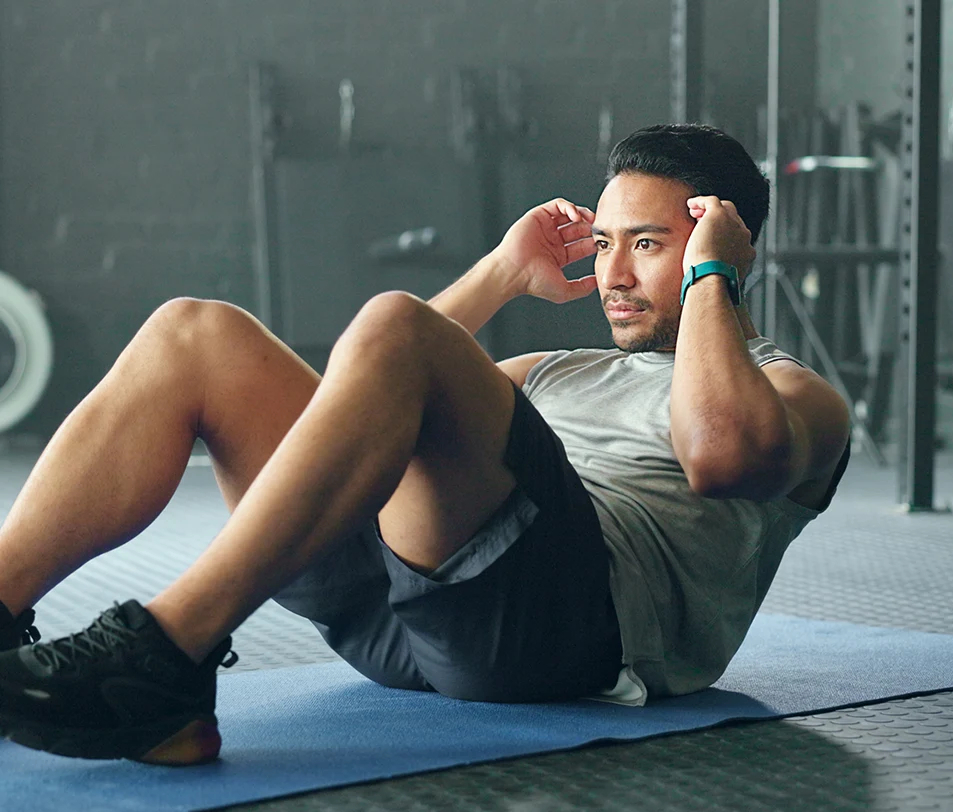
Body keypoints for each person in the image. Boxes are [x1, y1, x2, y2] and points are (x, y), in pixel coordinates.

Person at [0, 124, 850, 766]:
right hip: (404, 616)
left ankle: (162, 659)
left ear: (722, 247)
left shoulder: (791, 395)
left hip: (552, 636)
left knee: (399, 325)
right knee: (195, 333)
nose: (614, 275)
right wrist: (502, 274)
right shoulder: (559, 370)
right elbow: (362, 392)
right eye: (604, 245)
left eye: (650, 245)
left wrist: (711, 276)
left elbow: (722, 457)